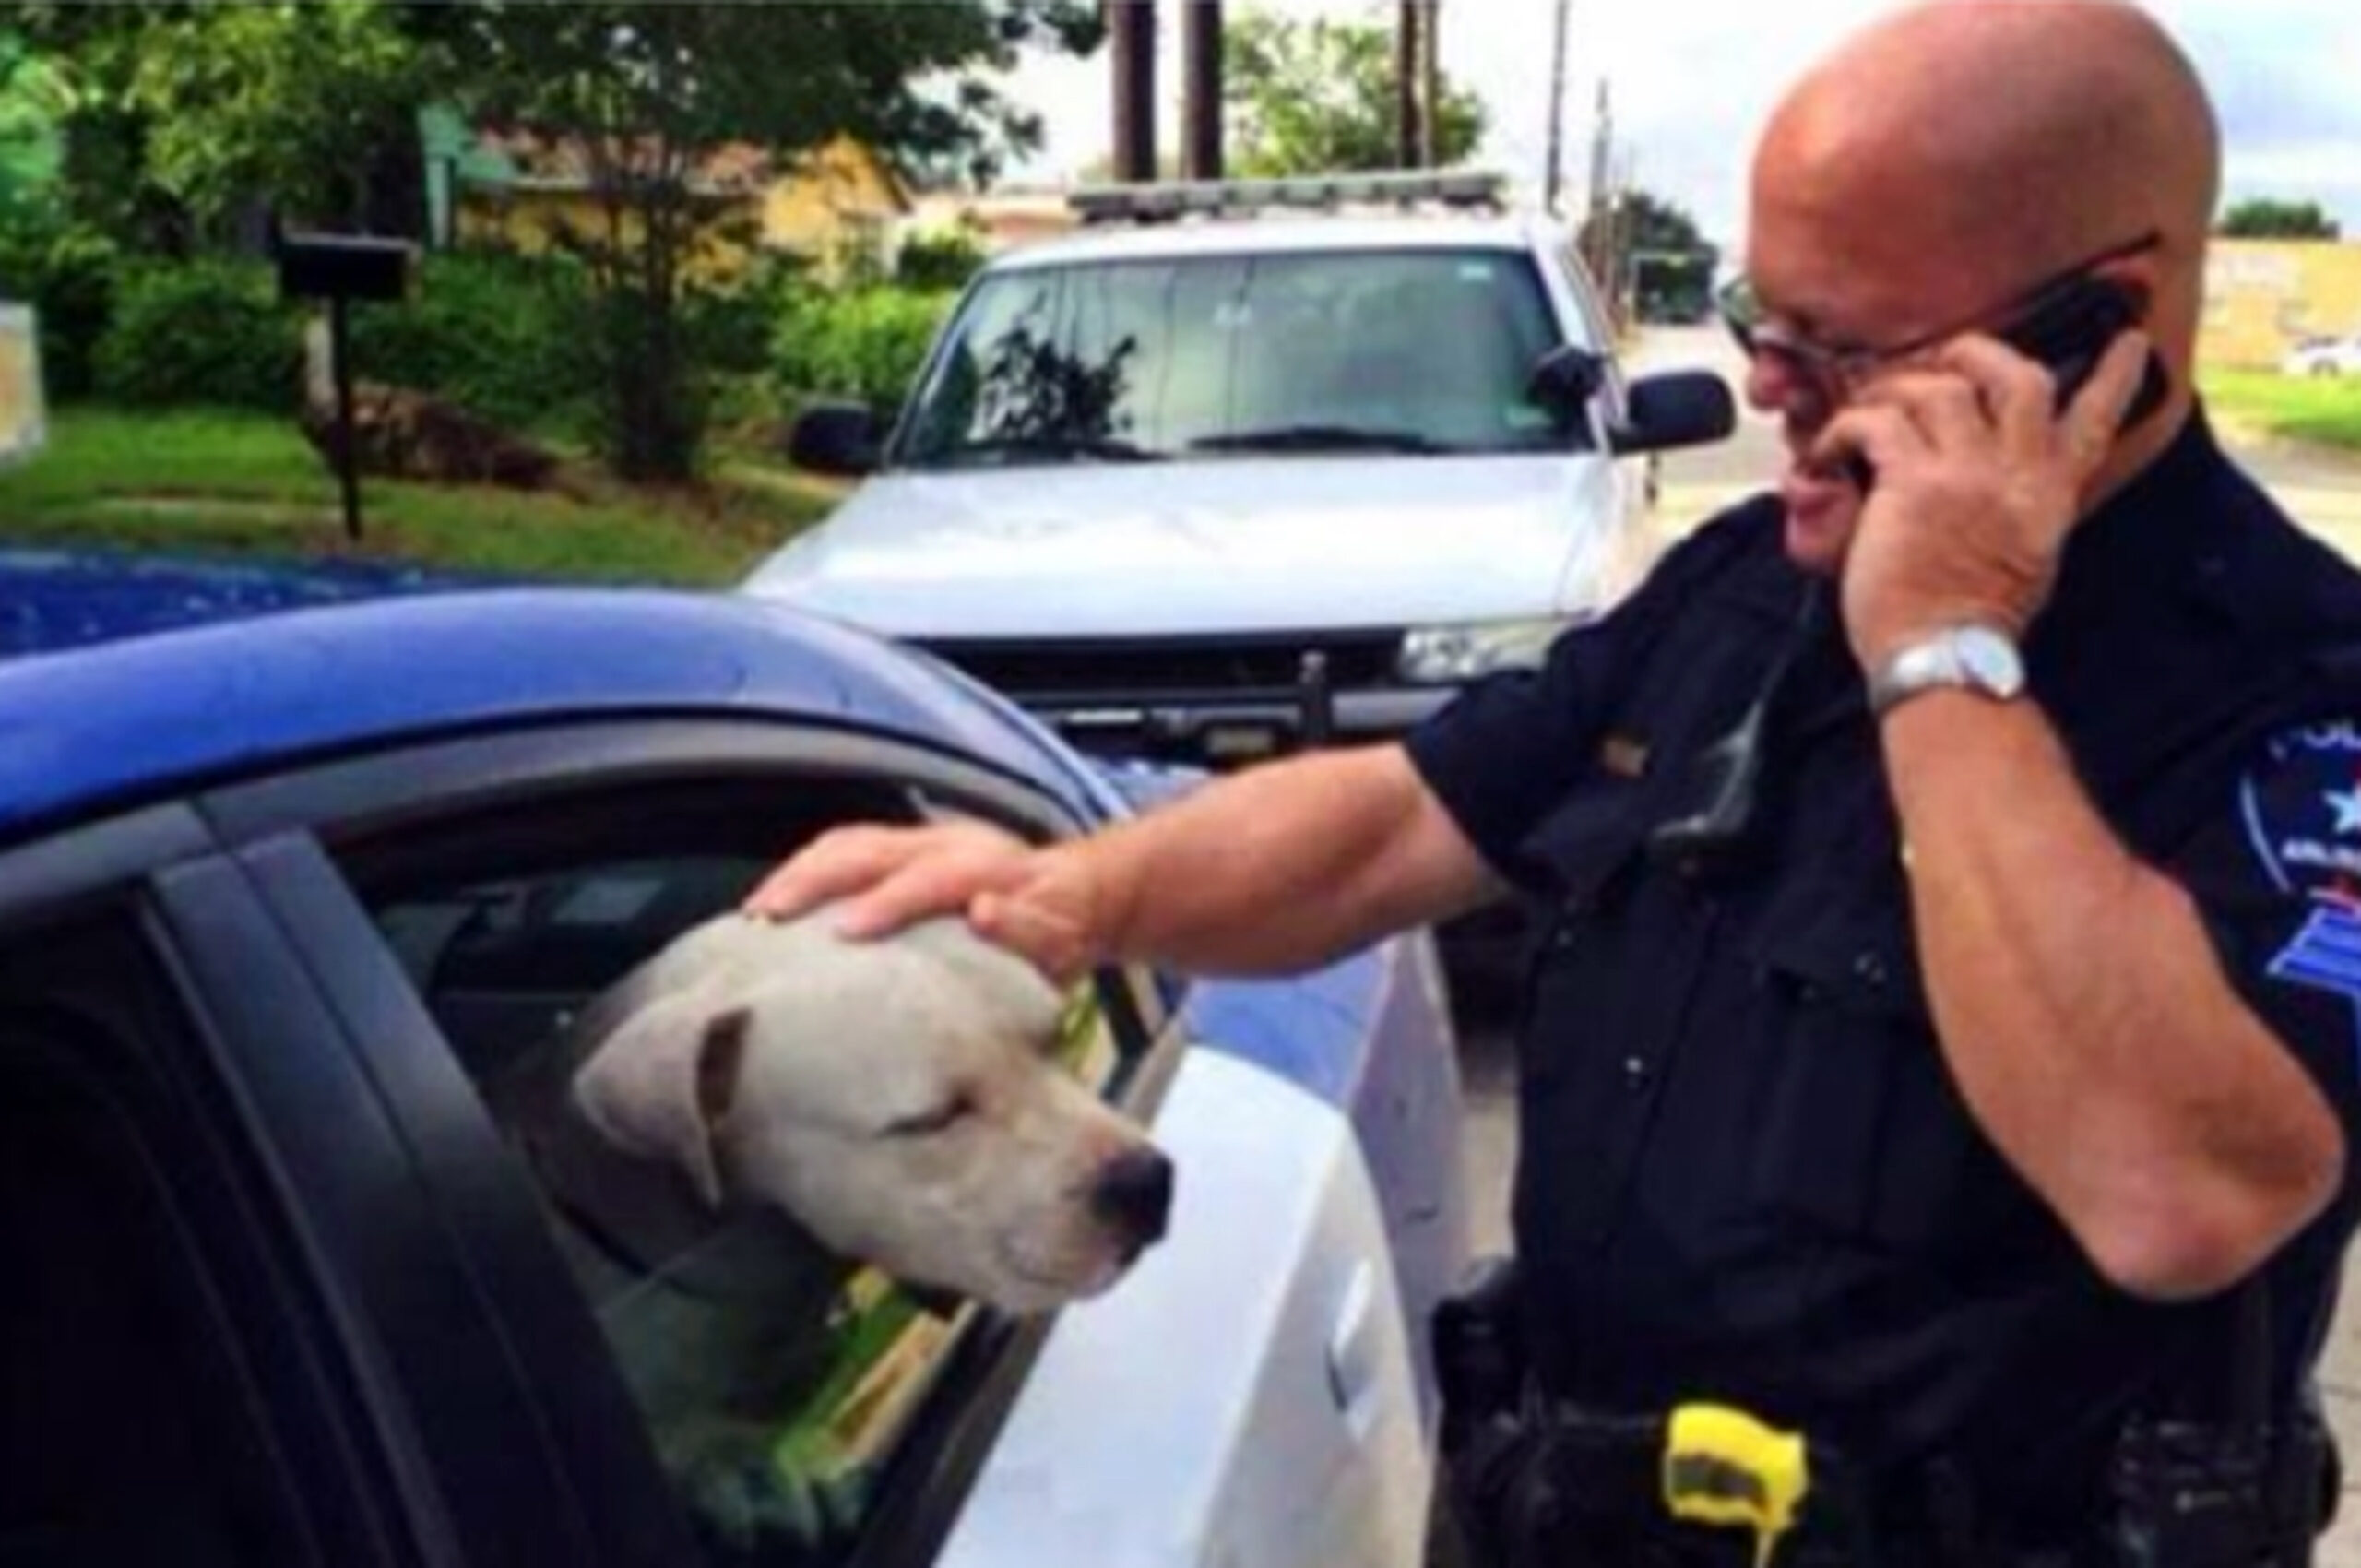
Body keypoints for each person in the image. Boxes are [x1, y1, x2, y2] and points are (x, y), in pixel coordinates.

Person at [747, 3, 2361, 1561]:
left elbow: (2181, 1193)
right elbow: (1404, 816)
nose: (1768, 392)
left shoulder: (2303, 691)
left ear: (2103, 330)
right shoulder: (1743, 586)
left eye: (1843, 350)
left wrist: (1945, 647)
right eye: (1760, 323)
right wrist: (1075, 891)